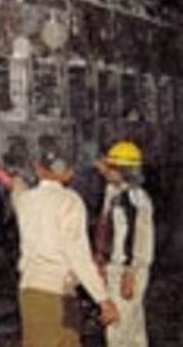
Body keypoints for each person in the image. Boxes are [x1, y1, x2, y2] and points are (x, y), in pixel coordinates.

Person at [12, 149, 119, 346]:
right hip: (58, 294)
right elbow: (77, 255)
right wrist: (103, 299)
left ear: (38, 169)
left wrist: (16, 186)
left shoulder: (25, 200)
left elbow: (18, 194)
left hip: (30, 292)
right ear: (69, 173)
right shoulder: (70, 201)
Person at [94, 140, 154, 347]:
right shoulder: (119, 192)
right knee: (133, 329)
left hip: (126, 270)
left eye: (111, 167)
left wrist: (130, 273)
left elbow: (131, 237)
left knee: (118, 330)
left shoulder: (131, 198)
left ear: (122, 171)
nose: (106, 170)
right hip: (121, 268)